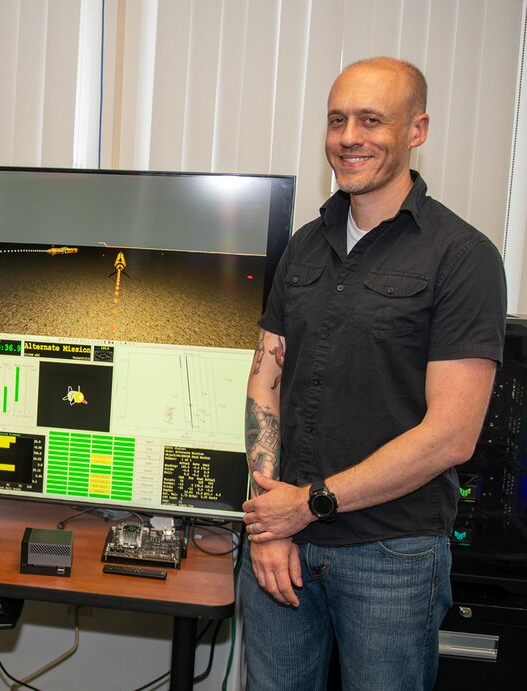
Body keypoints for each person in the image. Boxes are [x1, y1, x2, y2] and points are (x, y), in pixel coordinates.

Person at [240, 56, 506, 690]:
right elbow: (264, 381)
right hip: (285, 547)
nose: (349, 137)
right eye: (337, 121)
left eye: (370, 120)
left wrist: (310, 504)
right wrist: (271, 517)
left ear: (417, 130)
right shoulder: (305, 245)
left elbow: (452, 436)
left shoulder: (463, 257)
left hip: (394, 557)